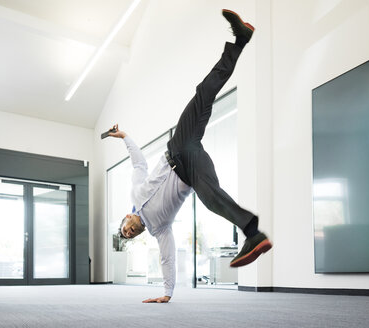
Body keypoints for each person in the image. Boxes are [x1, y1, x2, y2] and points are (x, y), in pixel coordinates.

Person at [107, 9, 272, 303]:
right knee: (210, 197)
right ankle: (252, 232)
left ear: (127, 217)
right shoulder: (160, 229)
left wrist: (125, 137)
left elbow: (138, 162)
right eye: (130, 235)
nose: (129, 231)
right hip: (191, 170)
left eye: (125, 228)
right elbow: (167, 259)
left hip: (180, 145)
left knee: (202, 93)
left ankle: (240, 40)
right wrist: (167, 293)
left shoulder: (135, 188)